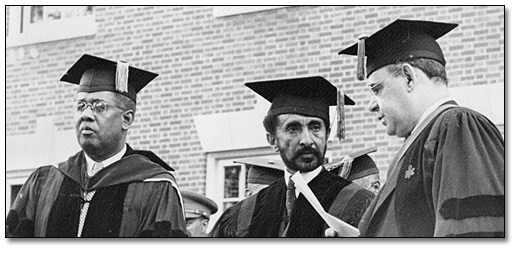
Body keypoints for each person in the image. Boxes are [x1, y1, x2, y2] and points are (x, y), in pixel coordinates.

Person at [339, 19, 505, 237]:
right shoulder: (421, 140)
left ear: (409, 77)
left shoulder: (457, 125)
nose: (371, 105)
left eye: (377, 89)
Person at [6, 54, 188, 237]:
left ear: (126, 119)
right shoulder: (44, 181)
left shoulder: (155, 187)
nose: (86, 114)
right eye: (81, 106)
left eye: (99, 106)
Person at [210, 76, 375, 237]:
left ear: (328, 134)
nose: (307, 140)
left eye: (315, 127)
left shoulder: (357, 202)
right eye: (293, 129)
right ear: (272, 139)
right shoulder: (244, 214)